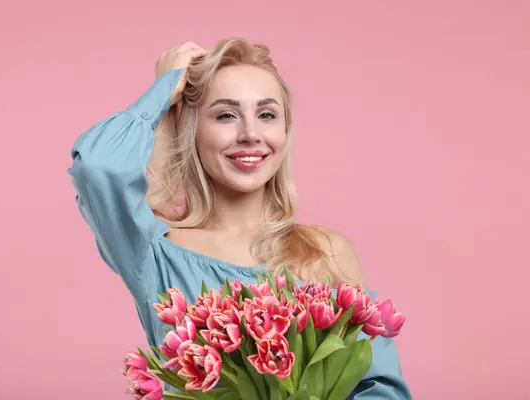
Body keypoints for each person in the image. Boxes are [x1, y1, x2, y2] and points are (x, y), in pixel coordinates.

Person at [68, 38, 412, 399]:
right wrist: (164, 91)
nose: (250, 134)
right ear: (193, 131)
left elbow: (380, 387)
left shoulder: (326, 252)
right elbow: (97, 167)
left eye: (266, 115)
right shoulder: (154, 252)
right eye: (225, 115)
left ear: (284, 132)